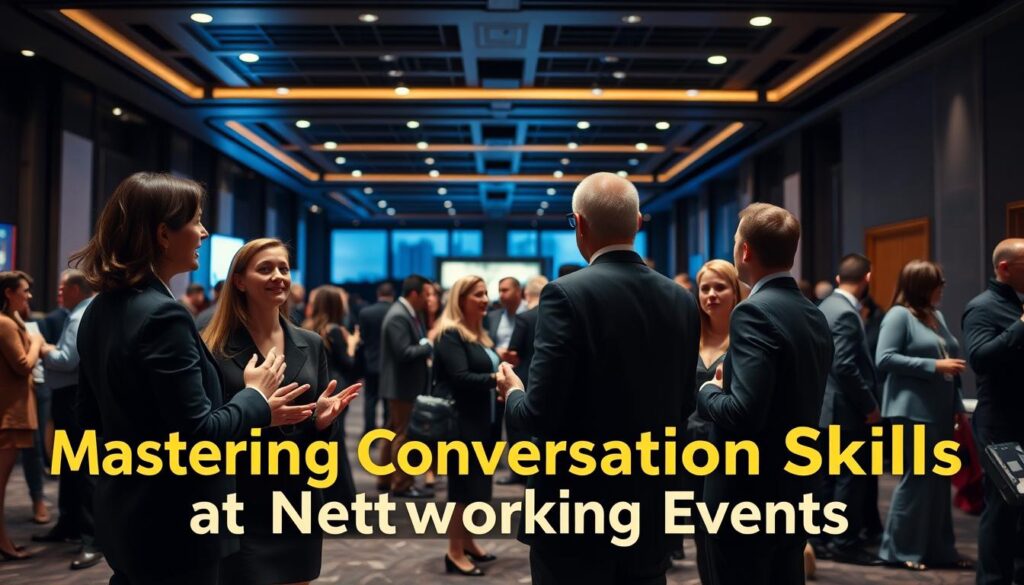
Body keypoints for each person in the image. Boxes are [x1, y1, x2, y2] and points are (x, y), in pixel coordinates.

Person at [72, 172, 318, 585]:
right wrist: (255, 397)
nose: (204, 232)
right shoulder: (162, 315)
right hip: (177, 525)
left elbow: (88, 421)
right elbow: (200, 433)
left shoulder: (101, 307)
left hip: (127, 513)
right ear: (163, 234)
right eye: (196, 221)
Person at [497, 172, 700, 585]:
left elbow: (538, 414)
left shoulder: (565, 294)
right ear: (638, 222)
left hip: (574, 511)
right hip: (650, 506)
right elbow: (685, 405)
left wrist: (512, 391)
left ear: (580, 224)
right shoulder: (681, 299)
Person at [202, 238, 359, 585]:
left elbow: (317, 437)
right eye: (265, 269)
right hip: (241, 494)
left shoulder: (311, 342)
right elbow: (206, 428)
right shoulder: (213, 346)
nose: (278, 276)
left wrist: (322, 422)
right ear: (240, 281)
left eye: (283, 268)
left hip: (296, 496)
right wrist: (260, 412)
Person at [697, 202, 833, 585]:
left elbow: (743, 413)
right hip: (794, 481)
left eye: (736, 241)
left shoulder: (753, 312)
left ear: (744, 251)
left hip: (747, 492)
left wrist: (709, 390)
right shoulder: (814, 314)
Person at [875, 259, 969, 571]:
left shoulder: (935, 315)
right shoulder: (898, 316)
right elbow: (885, 358)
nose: (942, 289)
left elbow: (949, 360)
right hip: (910, 411)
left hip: (940, 410)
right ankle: (900, 550)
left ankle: (940, 550)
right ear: (921, 286)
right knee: (915, 482)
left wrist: (957, 408)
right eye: (938, 284)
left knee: (939, 482)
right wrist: (934, 367)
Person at [812, 254, 882, 565]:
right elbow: (845, 366)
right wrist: (869, 405)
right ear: (867, 278)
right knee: (848, 478)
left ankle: (825, 538)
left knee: (829, 476)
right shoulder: (845, 313)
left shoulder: (825, 306)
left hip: (826, 408)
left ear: (839, 279)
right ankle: (844, 542)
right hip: (845, 409)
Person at [674, 260, 742, 574]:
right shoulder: (688, 339)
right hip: (688, 449)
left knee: (729, 534)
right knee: (700, 532)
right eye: (705, 289)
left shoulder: (746, 340)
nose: (711, 295)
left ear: (736, 291)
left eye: (720, 287)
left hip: (732, 450)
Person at [963, 238, 1024, 585]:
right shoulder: (982, 308)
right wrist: (1021, 327)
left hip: (1019, 418)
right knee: (1002, 505)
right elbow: (980, 358)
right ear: (1005, 268)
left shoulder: (1015, 304)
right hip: (998, 424)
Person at [432, 275, 502, 576]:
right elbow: (460, 378)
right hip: (460, 424)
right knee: (461, 491)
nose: (485, 299)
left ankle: (469, 542)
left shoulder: (480, 335)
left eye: (486, 293)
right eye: (478, 294)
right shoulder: (450, 334)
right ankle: (454, 552)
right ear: (461, 300)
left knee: (477, 487)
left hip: (483, 423)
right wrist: (496, 379)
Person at [33, 269, 103, 570]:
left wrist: (44, 349)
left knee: (84, 469)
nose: (59, 292)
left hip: (75, 400)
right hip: (69, 400)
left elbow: (67, 358)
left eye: (63, 287)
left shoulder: (79, 315)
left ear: (77, 288)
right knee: (69, 466)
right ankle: (69, 525)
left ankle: (92, 538)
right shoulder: (80, 312)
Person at [303, 283, 361, 506]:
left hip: (318, 387)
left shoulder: (307, 327)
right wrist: (353, 345)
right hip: (336, 387)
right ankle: (339, 501)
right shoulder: (335, 331)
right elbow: (349, 364)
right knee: (335, 442)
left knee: (321, 444)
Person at [378, 274, 435, 497]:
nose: (429, 299)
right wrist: (427, 345)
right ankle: (402, 484)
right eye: (426, 294)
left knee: (393, 431)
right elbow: (403, 353)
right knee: (404, 435)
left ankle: (385, 479)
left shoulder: (406, 313)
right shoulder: (399, 316)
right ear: (414, 294)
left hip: (401, 385)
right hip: (402, 386)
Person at [0, 270, 44, 560]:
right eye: (24, 290)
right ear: (8, 293)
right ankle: (2, 542)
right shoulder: (4, 324)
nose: (28, 295)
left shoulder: (10, 321)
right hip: (8, 415)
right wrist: (38, 343)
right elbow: (22, 364)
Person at [497, 275, 547, 486]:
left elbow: (514, 353)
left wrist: (498, 352)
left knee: (517, 426)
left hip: (523, 375)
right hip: (546, 374)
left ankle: (518, 472)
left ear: (526, 294)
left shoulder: (524, 318)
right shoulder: (553, 315)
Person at [357, 282, 393, 437]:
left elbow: (363, 338)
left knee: (370, 400)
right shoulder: (395, 312)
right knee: (388, 402)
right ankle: (387, 433)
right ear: (392, 295)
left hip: (370, 361)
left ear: (378, 294)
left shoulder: (366, 312)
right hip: (390, 365)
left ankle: (369, 432)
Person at [486, 276, 525, 351]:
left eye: (505, 290)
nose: (501, 295)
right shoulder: (492, 316)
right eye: (499, 291)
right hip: (499, 360)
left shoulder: (532, 314)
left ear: (518, 291)